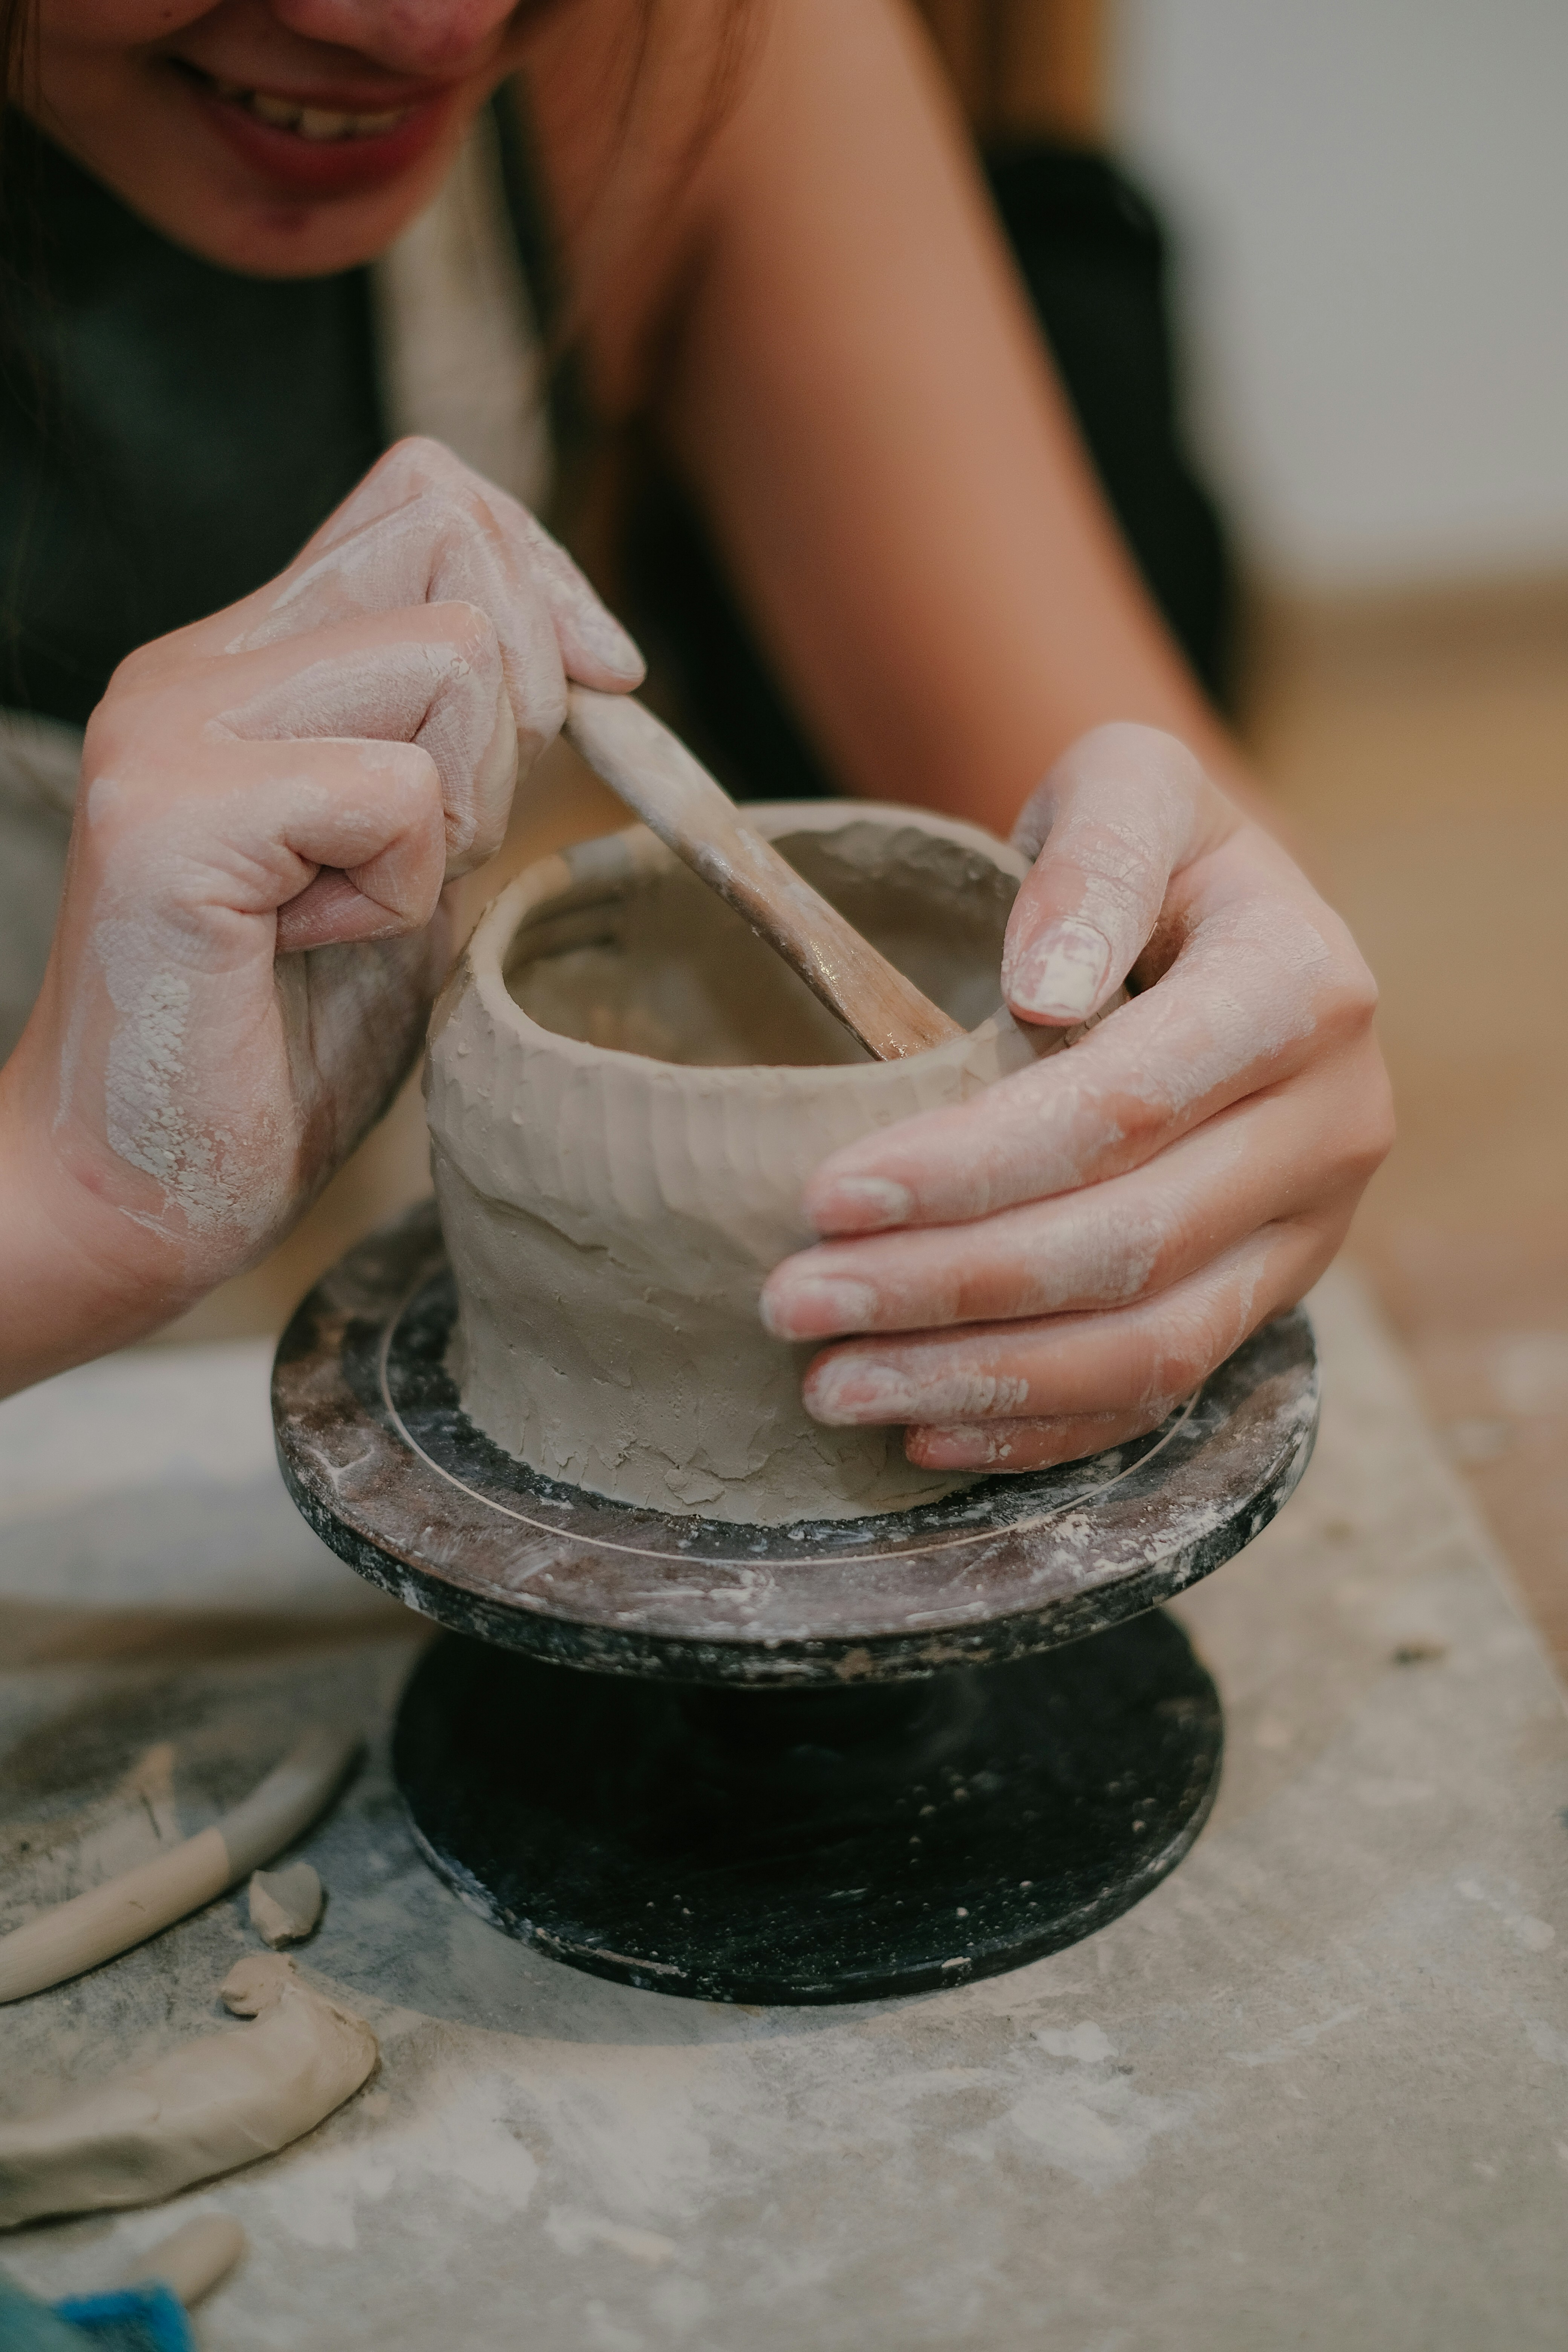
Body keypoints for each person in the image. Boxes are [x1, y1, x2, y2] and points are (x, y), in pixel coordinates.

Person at [0, 0, 1391, 1480]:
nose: (430, 22)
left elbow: (1175, 898)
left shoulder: (684, 33)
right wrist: (56, 1213)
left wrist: (1234, 1039)